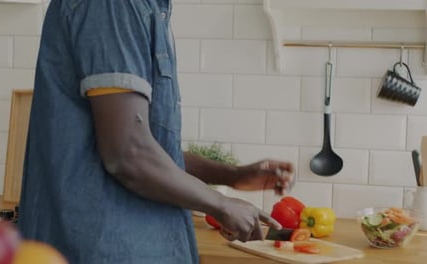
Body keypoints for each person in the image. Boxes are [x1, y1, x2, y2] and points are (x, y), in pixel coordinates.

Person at [18, 0, 294, 263]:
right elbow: (128, 153)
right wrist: (221, 205)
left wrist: (233, 175)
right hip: (105, 249)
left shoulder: (143, 8)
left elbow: (148, 146)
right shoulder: (113, 6)